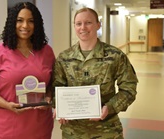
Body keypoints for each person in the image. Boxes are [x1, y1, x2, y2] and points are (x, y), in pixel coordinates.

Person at [52, 7, 138, 139]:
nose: (83, 27)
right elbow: (55, 88)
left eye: (88, 23)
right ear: (74, 26)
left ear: (98, 25)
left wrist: (109, 107)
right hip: (73, 132)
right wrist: (58, 107)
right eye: (78, 23)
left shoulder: (115, 56)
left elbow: (129, 89)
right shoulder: (64, 58)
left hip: (107, 131)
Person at [0, 2, 55, 139]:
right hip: (7, 127)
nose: (25, 26)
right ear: (12, 22)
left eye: (31, 21)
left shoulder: (46, 51)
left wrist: (48, 97)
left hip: (40, 126)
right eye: (20, 20)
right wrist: (7, 105)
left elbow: (51, 83)